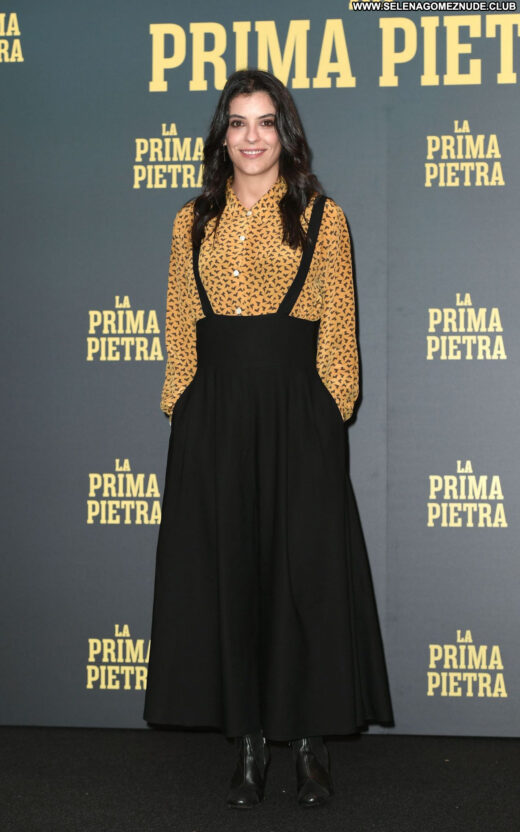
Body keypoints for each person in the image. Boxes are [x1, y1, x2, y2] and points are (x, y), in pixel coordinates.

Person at [143, 68, 394, 809]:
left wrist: (330, 412)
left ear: (285, 132)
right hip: (214, 418)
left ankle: (310, 745)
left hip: (297, 414)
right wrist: (182, 407)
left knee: (303, 577)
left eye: (265, 121)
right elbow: (180, 325)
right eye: (238, 122)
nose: (252, 136)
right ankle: (249, 742)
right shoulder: (192, 221)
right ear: (221, 136)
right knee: (232, 577)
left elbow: (339, 330)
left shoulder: (322, 216)